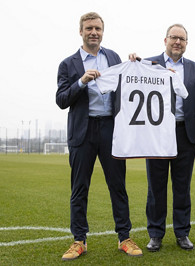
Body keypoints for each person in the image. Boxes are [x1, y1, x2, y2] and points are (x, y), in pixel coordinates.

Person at [56, 12, 142, 260]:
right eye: (89, 28)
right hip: (82, 132)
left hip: (111, 130)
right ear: (80, 31)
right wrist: (81, 81)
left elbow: (130, 83)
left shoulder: (113, 57)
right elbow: (61, 99)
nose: (94, 32)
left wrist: (135, 63)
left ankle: (124, 237)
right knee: (79, 188)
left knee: (118, 186)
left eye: (98, 28)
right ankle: (79, 240)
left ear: (103, 32)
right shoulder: (68, 64)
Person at [130, 23, 195, 252]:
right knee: (156, 186)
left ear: (186, 44)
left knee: (182, 187)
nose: (177, 42)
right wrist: (134, 62)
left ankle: (182, 233)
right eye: (174, 38)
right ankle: (155, 234)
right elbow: (133, 79)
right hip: (157, 134)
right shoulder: (149, 64)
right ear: (165, 40)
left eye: (182, 39)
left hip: (186, 133)